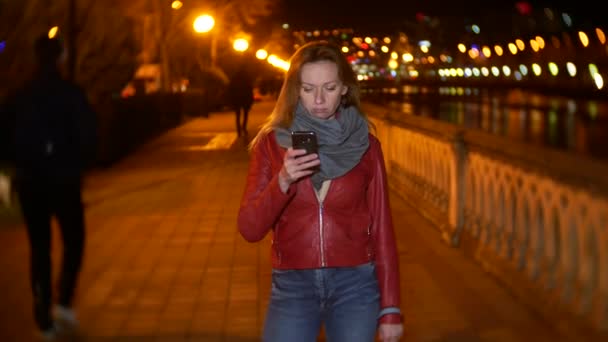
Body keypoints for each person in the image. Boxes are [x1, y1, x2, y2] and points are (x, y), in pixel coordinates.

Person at [237, 40, 404, 342]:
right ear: (294, 90)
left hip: (355, 285)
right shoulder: (271, 145)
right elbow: (249, 228)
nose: (318, 100)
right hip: (293, 286)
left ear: (344, 89)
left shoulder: (367, 146)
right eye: (308, 88)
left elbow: (382, 228)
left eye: (328, 88)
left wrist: (390, 307)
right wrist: (283, 182)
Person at [0, 34, 97, 340]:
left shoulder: (20, 96)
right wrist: (79, 163)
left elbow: (4, 139)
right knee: (73, 240)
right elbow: (88, 136)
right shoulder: (71, 94)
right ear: (60, 57)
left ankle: (42, 313)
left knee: (39, 248)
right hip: (65, 181)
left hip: (31, 182)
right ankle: (64, 299)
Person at [226, 64, 255, 137]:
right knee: (245, 114)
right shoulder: (247, 78)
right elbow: (249, 89)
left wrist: (231, 98)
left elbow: (230, 88)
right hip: (245, 98)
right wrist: (250, 99)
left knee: (238, 115)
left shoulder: (235, 77)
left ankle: (238, 130)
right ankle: (244, 127)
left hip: (237, 99)